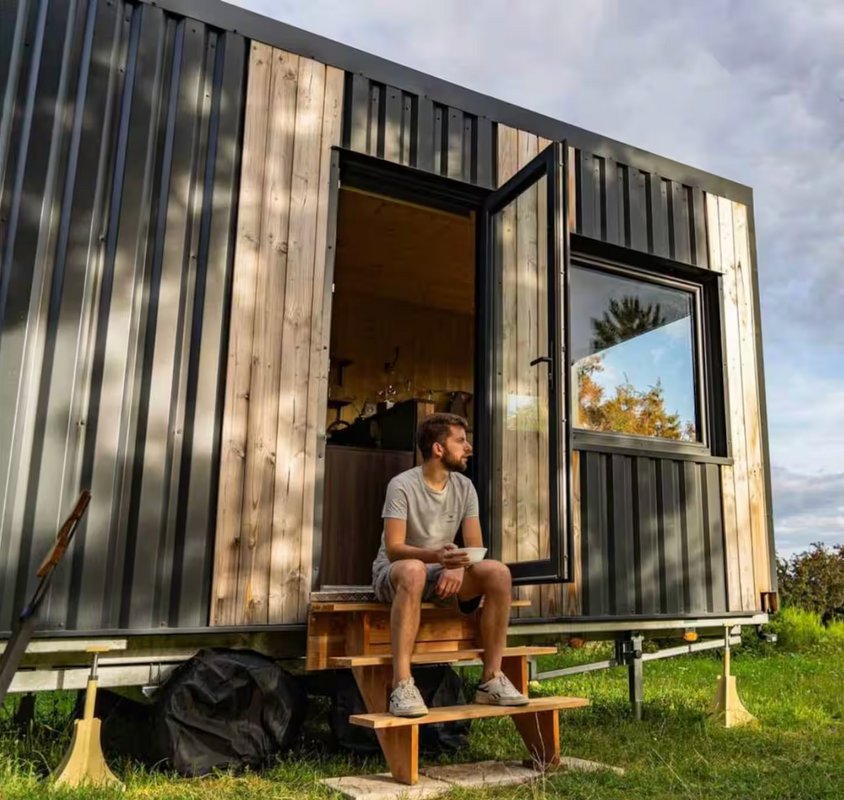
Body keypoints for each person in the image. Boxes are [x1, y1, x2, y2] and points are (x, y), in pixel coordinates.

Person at [371, 412, 529, 717]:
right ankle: (402, 684)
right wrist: (439, 558)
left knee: (498, 573)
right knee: (415, 570)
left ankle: (491, 680)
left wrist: (457, 565)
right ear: (438, 449)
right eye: (460, 441)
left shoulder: (465, 487)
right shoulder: (402, 485)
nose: (468, 447)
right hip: (396, 573)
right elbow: (394, 549)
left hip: (442, 571)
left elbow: (475, 548)